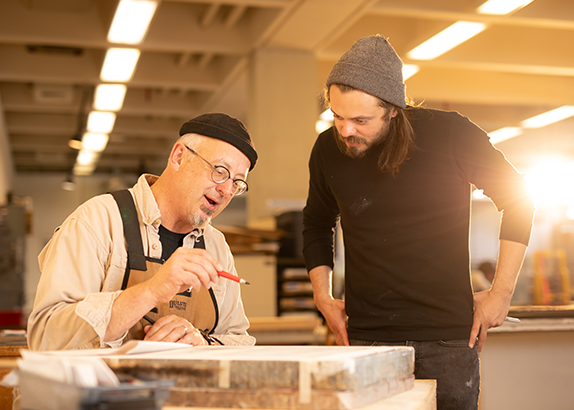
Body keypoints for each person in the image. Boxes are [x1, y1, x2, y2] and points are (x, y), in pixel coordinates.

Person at [302, 35, 535, 410]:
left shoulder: (451, 134)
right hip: (368, 339)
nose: (346, 131)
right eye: (338, 117)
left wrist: (501, 293)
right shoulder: (328, 149)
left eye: (361, 120)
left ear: (394, 109)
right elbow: (316, 221)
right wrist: (322, 295)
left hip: (448, 339)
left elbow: (519, 200)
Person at [28, 113, 258, 351]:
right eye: (220, 171)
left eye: (237, 183)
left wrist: (202, 342)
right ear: (179, 157)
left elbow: (238, 339)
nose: (226, 190)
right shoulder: (96, 221)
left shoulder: (216, 246)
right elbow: (45, 337)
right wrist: (150, 291)